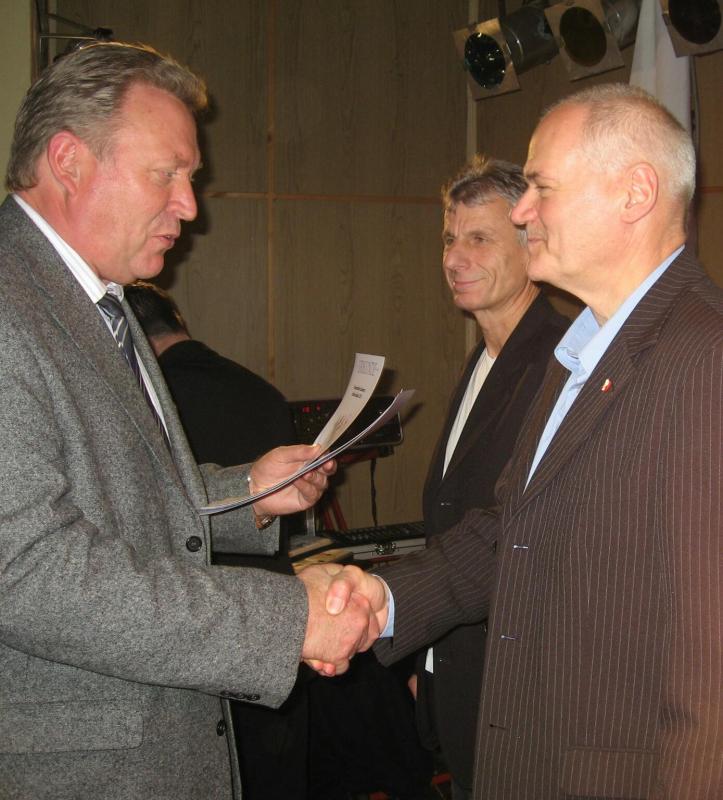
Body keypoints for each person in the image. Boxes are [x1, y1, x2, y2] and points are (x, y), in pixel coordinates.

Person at [0, 41, 377, 799]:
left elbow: (112, 493)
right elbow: (28, 572)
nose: (189, 206)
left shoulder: (98, 301)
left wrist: (246, 493)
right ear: (69, 160)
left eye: (190, 179)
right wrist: (286, 620)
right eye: (165, 174)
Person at [323, 83, 722, 799]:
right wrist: (384, 599)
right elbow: (511, 530)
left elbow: (710, 664)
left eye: (542, 188)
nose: (520, 212)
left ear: (635, 193)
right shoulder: (583, 350)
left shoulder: (705, 357)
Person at [415, 156, 568, 798]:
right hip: (463, 674)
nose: (455, 258)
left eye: (479, 238)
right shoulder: (482, 360)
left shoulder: (561, 362)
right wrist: (431, 658)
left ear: (531, 242)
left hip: (523, 692)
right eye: (450, 238)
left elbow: (525, 537)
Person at [125, 280, 309, 800]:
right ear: (179, 320)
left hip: (197, 631)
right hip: (275, 627)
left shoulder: (151, 397)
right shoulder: (260, 389)